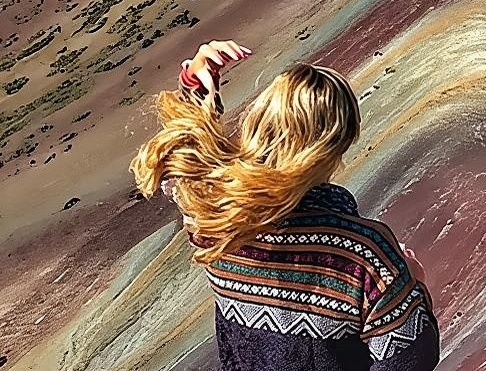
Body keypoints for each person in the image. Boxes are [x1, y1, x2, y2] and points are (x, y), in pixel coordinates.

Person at [131, 39, 440, 371]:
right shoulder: (364, 256)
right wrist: (413, 288)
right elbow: (408, 359)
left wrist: (194, 84)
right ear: (337, 148)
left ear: (261, 122)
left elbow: (183, 157)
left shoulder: (215, 218)